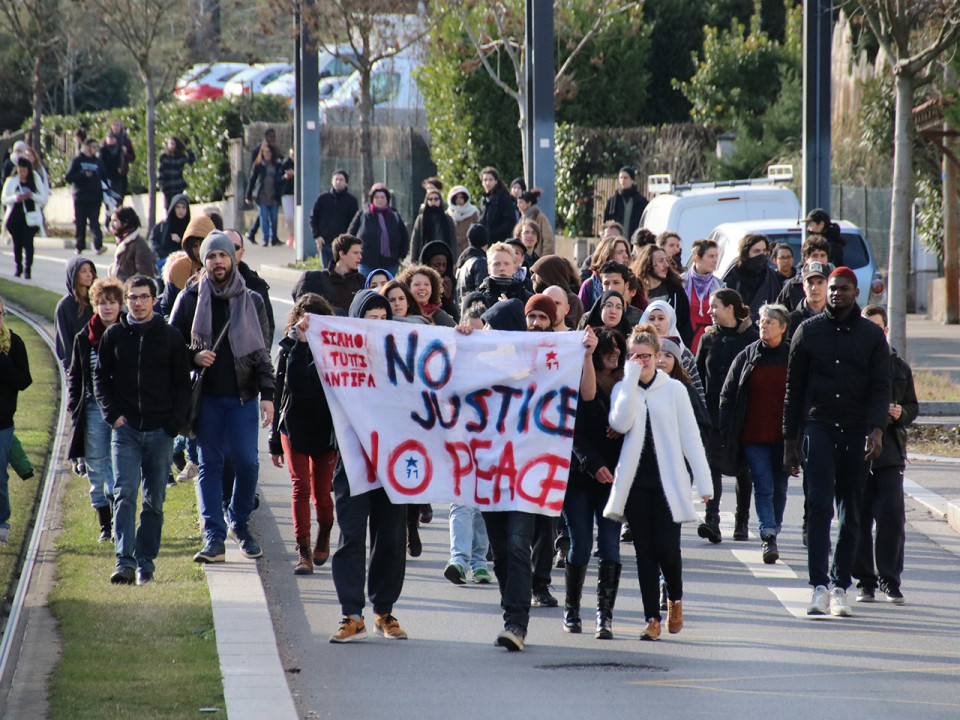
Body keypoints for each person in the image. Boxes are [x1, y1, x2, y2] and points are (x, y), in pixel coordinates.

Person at [456, 299, 597, 651]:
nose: (535, 322)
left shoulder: (554, 358)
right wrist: (462, 339)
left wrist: (588, 354)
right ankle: (512, 608)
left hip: (529, 473)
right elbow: (451, 383)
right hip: (489, 472)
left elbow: (587, 394)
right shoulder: (484, 359)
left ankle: (516, 623)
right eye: (529, 317)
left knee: (519, 545)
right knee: (501, 550)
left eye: (541, 317)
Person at [783, 267, 891, 618]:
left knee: (852, 511)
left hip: (857, 428)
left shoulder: (871, 336)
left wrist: (876, 430)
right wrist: (790, 440)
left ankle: (840, 585)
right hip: (819, 425)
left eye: (843, 289)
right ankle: (818, 587)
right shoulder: (807, 332)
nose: (835, 294)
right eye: (831, 288)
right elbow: (793, 389)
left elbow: (881, 388)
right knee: (818, 506)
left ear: (855, 292)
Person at [169, 232, 275, 564]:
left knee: (247, 463)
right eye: (211, 256)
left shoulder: (253, 300)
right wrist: (193, 358)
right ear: (204, 260)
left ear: (233, 259)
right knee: (210, 465)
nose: (217, 262)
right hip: (207, 400)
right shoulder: (188, 300)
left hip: (243, 398)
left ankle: (239, 522)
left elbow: (262, 353)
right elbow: (170, 349)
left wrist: (269, 395)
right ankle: (213, 537)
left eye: (222, 256)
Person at [602, 327, 712, 641]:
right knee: (644, 553)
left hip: (669, 482)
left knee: (667, 549)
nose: (641, 361)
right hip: (635, 481)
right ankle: (651, 618)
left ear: (658, 357)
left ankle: (675, 599)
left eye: (646, 356)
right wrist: (630, 381)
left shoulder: (675, 389)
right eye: (634, 356)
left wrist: (704, 483)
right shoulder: (624, 388)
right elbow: (620, 423)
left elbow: (691, 438)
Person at [94, 275, 190, 584]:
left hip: (161, 431)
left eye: (143, 297)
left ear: (154, 300)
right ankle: (124, 561)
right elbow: (101, 378)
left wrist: (173, 424)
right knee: (125, 493)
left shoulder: (170, 337)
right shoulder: (114, 336)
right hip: (126, 430)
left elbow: (182, 386)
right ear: (126, 301)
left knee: (154, 499)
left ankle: (146, 562)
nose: (137, 303)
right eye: (132, 298)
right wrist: (112, 415)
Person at [327, 290, 409, 643]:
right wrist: (303, 342)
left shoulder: (405, 353)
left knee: (391, 537)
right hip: (353, 459)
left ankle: (383, 611)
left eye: (383, 318)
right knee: (351, 536)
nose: (377, 326)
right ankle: (351, 614)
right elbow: (310, 376)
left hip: (393, 461)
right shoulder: (339, 355)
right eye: (370, 319)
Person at [853, 304, 918, 604]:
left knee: (892, 517)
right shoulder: (853, 363)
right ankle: (864, 580)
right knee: (858, 516)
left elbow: (913, 407)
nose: (873, 333)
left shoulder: (899, 366)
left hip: (891, 452)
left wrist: (900, 412)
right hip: (857, 450)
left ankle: (889, 580)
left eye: (878, 327)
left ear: (886, 330)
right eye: (868, 327)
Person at [269, 293, 338, 575]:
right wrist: (274, 442)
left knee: (322, 494)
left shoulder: (336, 348)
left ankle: (325, 529)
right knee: (300, 487)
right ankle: (303, 550)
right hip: (293, 426)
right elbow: (286, 389)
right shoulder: (288, 347)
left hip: (325, 430)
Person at [719, 303, 792, 565]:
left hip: (785, 436)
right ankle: (768, 535)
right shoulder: (747, 356)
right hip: (753, 434)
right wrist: (726, 430)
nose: (763, 325)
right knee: (762, 483)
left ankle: (774, 526)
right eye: (761, 321)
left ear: (783, 328)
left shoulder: (794, 356)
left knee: (780, 487)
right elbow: (727, 395)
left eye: (770, 321)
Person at [564, 327, 625, 637]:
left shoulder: (629, 383)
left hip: (614, 480)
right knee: (581, 547)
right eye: (606, 349)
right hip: (579, 478)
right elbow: (573, 431)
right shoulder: (582, 380)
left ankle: (605, 616)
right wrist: (593, 464)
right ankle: (572, 610)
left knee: (611, 548)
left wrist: (623, 426)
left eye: (618, 348)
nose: (613, 353)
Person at [694, 288, 758, 543]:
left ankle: (741, 521)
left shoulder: (752, 338)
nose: (709, 312)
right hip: (712, 414)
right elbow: (697, 376)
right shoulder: (707, 339)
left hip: (741, 414)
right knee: (712, 466)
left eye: (714, 307)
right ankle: (712, 520)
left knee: (743, 468)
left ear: (730, 308)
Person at [67, 277, 124, 543]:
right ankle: (105, 525)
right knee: (98, 467)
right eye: (102, 303)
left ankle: (121, 520)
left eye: (112, 303)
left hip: (123, 411)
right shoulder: (83, 338)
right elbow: (75, 377)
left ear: (121, 305)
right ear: (94, 305)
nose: (108, 308)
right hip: (92, 410)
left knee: (120, 467)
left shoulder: (129, 333)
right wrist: (73, 409)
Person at [0, 295, 32, 544]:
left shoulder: (13, 343)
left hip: (2, 423)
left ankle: (2, 521)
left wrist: (2, 361)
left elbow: (23, 381)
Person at [639, 300, 705, 404]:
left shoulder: (683, 352)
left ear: (670, 321)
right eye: (651, 319)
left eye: (661, 318)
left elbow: (697, 389)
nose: (656, 323)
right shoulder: (636, 351)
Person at [633, 244, 693, 347]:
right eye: (661, 261)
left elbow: (685, 326)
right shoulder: (635, 293)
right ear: (647, 264)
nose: (666, 265)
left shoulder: (675, 291)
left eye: (666, 260)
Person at [292, 233, 366, 314]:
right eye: (355, 253)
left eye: (360, 253)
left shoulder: (361, 280)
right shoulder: (321, 279)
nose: (360, 257)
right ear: (342, 254)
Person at [159, 215, 215, 318]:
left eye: (202, 245)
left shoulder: (221, 266)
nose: (198, 251)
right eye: (194, 246)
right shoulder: (177, 267)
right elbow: (167, 307)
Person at [348, 183, 409, 277]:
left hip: (390, 264)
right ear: (372, 199)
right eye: (376, 197)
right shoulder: (363, 215)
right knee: (367, 289)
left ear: (387, 199)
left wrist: (401, 256)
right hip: (366, 262)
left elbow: (404, 237)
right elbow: (350, 235)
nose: (379, 200)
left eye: (382, 197)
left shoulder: (394, 216)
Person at [2, 157, 48, 280]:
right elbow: (4, 199)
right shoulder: (11, 180)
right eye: (20, 171)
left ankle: (28, 269)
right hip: (16, 216)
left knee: (28, 242)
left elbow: (43, 198)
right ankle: (18, 267)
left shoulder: (35, 178)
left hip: (31, 216)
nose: (22, 174)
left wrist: (31, 196)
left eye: (24, 171)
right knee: (17, 243)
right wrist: (15, 198)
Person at [721, 233, 781, 319]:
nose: (761, 255)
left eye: (764, 251)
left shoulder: (772, 278)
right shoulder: (733, 276)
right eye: (756, 251)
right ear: (746, 253)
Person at [682, 238, 725, 354]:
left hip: (710, 348)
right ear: (697, 258)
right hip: (685, 347)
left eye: (716, 256)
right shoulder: (681, 283)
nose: (715, 260)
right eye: (711, 256)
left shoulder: (720, 286)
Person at [309, 169, 359, 268]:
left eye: (341, 180)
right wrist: (317, 236)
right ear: (332, 181)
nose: (338, 182)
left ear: (346, 183)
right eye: (336, 179)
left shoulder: (351, 201)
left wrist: (349, 241)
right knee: (327, 273)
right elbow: (313, 218)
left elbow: (354, 223)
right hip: (325, 243)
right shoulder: (323, 198)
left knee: (341, 273)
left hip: (342, 245)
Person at [65, 137, 106, 254]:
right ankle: (79, 246)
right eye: (94, 147)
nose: (96, 150)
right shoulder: (78, 160)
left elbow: (103, 176)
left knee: (95, 222)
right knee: (80, 222)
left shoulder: (98, 161)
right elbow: (69, 177)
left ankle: (99, 245)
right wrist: (83, 176)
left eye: (97, 147)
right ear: (87, 147)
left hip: (95, 196)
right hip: (81, 196)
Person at [55, 256, 97, 368]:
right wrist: (70, 365)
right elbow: (64, 341)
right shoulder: (65, 306)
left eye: (90, 271)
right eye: (83, 271)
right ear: (73, 275)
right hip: (77, 364)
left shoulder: (97, 300)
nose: (89, 275)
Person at [777, 234, 831, 311]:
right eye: (815, 256)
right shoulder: (793, 285)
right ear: (806, 258)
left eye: (822, 256)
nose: (819, 259)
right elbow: (779, 314)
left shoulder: (835, 282)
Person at [531, 254, 585, 329]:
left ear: (549, 275)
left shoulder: (572, 300)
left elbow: (565, 330)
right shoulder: (534, 298)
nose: (532, 277)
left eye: (537, 273)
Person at [579, 236, 633, 311]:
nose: (626, 256)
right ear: (607, 256)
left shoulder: (633, 282)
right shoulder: (590, 286)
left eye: (626, 252)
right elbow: (582, 317)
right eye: (620, 252)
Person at [246, 142, 283, 247]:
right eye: (265, 152)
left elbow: (280, 179)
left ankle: (274, 238)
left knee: (274, 219)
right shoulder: (258, 165)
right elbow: (252, 180)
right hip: (262, 196)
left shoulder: (277, 164)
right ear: (262, 153)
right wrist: (248, 195)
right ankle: (265, 239)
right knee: (264, 218)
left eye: (269, 152)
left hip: (274, 196)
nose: (267, 154)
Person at [475, 242, 533, 308]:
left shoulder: (526, 298)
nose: (502, 268)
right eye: (496, 264)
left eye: (506, 264)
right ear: (489, 269)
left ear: (514, 268)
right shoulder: (479, 299)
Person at [108, 207, 157, 283]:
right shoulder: (123, 241)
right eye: (111, 221)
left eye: (115, 221)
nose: (111, 224)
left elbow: (145, 276)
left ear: (126, 222)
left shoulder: (139, 244)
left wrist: (129, 288)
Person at [409, 186, 457, 262]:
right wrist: (413, 260)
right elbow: (415, 240)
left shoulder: (448, 219)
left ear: (440, 201)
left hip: (444, 257)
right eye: (430, 199)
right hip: (425, 257)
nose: (433, 201)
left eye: (436, 199)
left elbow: (453, 241)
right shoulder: (421, 219)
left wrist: (453, 261)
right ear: (427, 201)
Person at [603, 166, 647, 241]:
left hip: (634, 241)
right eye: (621, 178)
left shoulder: (641, 201)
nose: (623, 180)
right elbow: (606, 222)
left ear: (632, 180)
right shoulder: (613, 201)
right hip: (615, 241)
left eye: (626, 178)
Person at [419, 240, 460, 321]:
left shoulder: (449, 283)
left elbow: (455, 317)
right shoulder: (420, 283)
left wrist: (448, 298)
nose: (441, 268)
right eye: (437, 265)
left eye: (444, 265)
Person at [788, 260, 829, 341]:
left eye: (820, 282)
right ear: (803, 286)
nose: (814, 288)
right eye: (810, 283)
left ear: (828, 284)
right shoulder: (792, 321)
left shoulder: (837, 316)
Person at [150, 194, 191, 271]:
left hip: (182, 264)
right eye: (178, 207)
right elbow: (153, 242)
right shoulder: (162, 226)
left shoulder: (190, 228)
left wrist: (180, 241)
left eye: (183, 208)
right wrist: (163, 256)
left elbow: (192, 247)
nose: (180, 210)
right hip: (163, 263)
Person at [478, 167, 517, 244]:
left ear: (496, 181)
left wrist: (493, 234)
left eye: (490, 179)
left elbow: (510, 221)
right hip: (485, 242)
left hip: (500, 241)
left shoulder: (504, 197)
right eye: (485, 180)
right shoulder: (483, 199)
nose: (487, 183)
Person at [99, 119, 135, 199]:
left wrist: (126, 153)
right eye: (114, 125)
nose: (116, 127)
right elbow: (101, 157)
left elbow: (132, 157)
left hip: (121, 173)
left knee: (120, 197)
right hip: (108, 174)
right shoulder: (105, 141)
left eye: (118, 125)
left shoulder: (126, 141)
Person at [157, 136, 196, 210]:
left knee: (178, 205)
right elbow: (160, 171)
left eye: (173, 144)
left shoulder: (180, 156)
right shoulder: (163, 156)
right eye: (170, 144)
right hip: (167, 186)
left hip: (178, 185)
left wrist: (186, 149)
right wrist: (161, 183)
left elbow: (192, 160)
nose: (171, 146)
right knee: (168, 207)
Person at [455, 223, 489, 300]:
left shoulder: (462, 263)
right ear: (485, 242)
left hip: (462, 309)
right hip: (476, 309)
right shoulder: (481, 262)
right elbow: (482, 294)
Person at [516, 189, 555, 255]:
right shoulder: (523, 217)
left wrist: (544, 260)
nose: (518, 205)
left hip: (537, 259)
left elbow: (548, 240)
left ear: (529, 203)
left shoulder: (540, 218)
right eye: (517, 202)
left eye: (521, 202)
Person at [446, 184, 480, 255]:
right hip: (453, 249)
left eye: (461, 197)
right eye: (456, 198)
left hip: (469, 248)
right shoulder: (448, 214)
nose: (459, 200)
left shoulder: (473, 212)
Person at [280, 148, 295, 246]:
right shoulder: (285, 163)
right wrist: (285, 177)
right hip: (287, 192)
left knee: (298, 216)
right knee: (289, 217)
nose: (293, 157)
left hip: (299, 193)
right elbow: (278, 177)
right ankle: (292, 235)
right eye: (292, 155)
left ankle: (297, 238)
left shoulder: (303, 161)